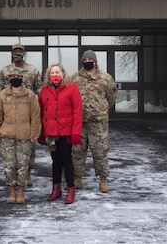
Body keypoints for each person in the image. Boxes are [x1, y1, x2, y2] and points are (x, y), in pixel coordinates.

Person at [0, 43, 42, 186]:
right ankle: (12, 177)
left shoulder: (33, 71)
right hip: (9, 113)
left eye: (20, 51)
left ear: (24, 53)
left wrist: (36, 103)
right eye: (15, 51)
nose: (17, 53)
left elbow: (40, 89)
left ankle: (27, 174)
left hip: (27, 114)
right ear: (11, 53)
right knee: (10, 152)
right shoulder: (5, 71)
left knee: (28, 150)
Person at [71, 50, 118, 193]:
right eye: (85, 61)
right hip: (80, 122)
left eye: (90, 60)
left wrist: (101, 109)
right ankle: (77, 178)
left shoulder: (105, 78)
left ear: (95, 61)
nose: (87, 62)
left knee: (100, 152)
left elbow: (111, 96)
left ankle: (103, 180)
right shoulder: (75, 78)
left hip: (98, 123)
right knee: (78, 151)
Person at [0, 71, 41, 204]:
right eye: (12, 77)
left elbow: (35, 116)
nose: (15, 79)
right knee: (9, 166)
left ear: (23, 79)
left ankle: (20, 191)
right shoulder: (3, 95)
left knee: (23, 165)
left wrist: (33, 134)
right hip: (7, 136)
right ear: (8, 78)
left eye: (18, 77)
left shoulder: (30, 95)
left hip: (24, 136)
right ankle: (11, 190)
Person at [38, 63, 83, 204]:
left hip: (66, 131)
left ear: (63, 74)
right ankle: (56, 188)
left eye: (57, 72)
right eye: (52, 73)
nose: (55, 75)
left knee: (66, 160)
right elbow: (40, 111)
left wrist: (76, 132)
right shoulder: (44, 90)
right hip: (51, 131)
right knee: (55, 161)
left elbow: (77, 111)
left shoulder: (72, 88)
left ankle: (71, 189)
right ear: (48, 75)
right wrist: (41, 133)